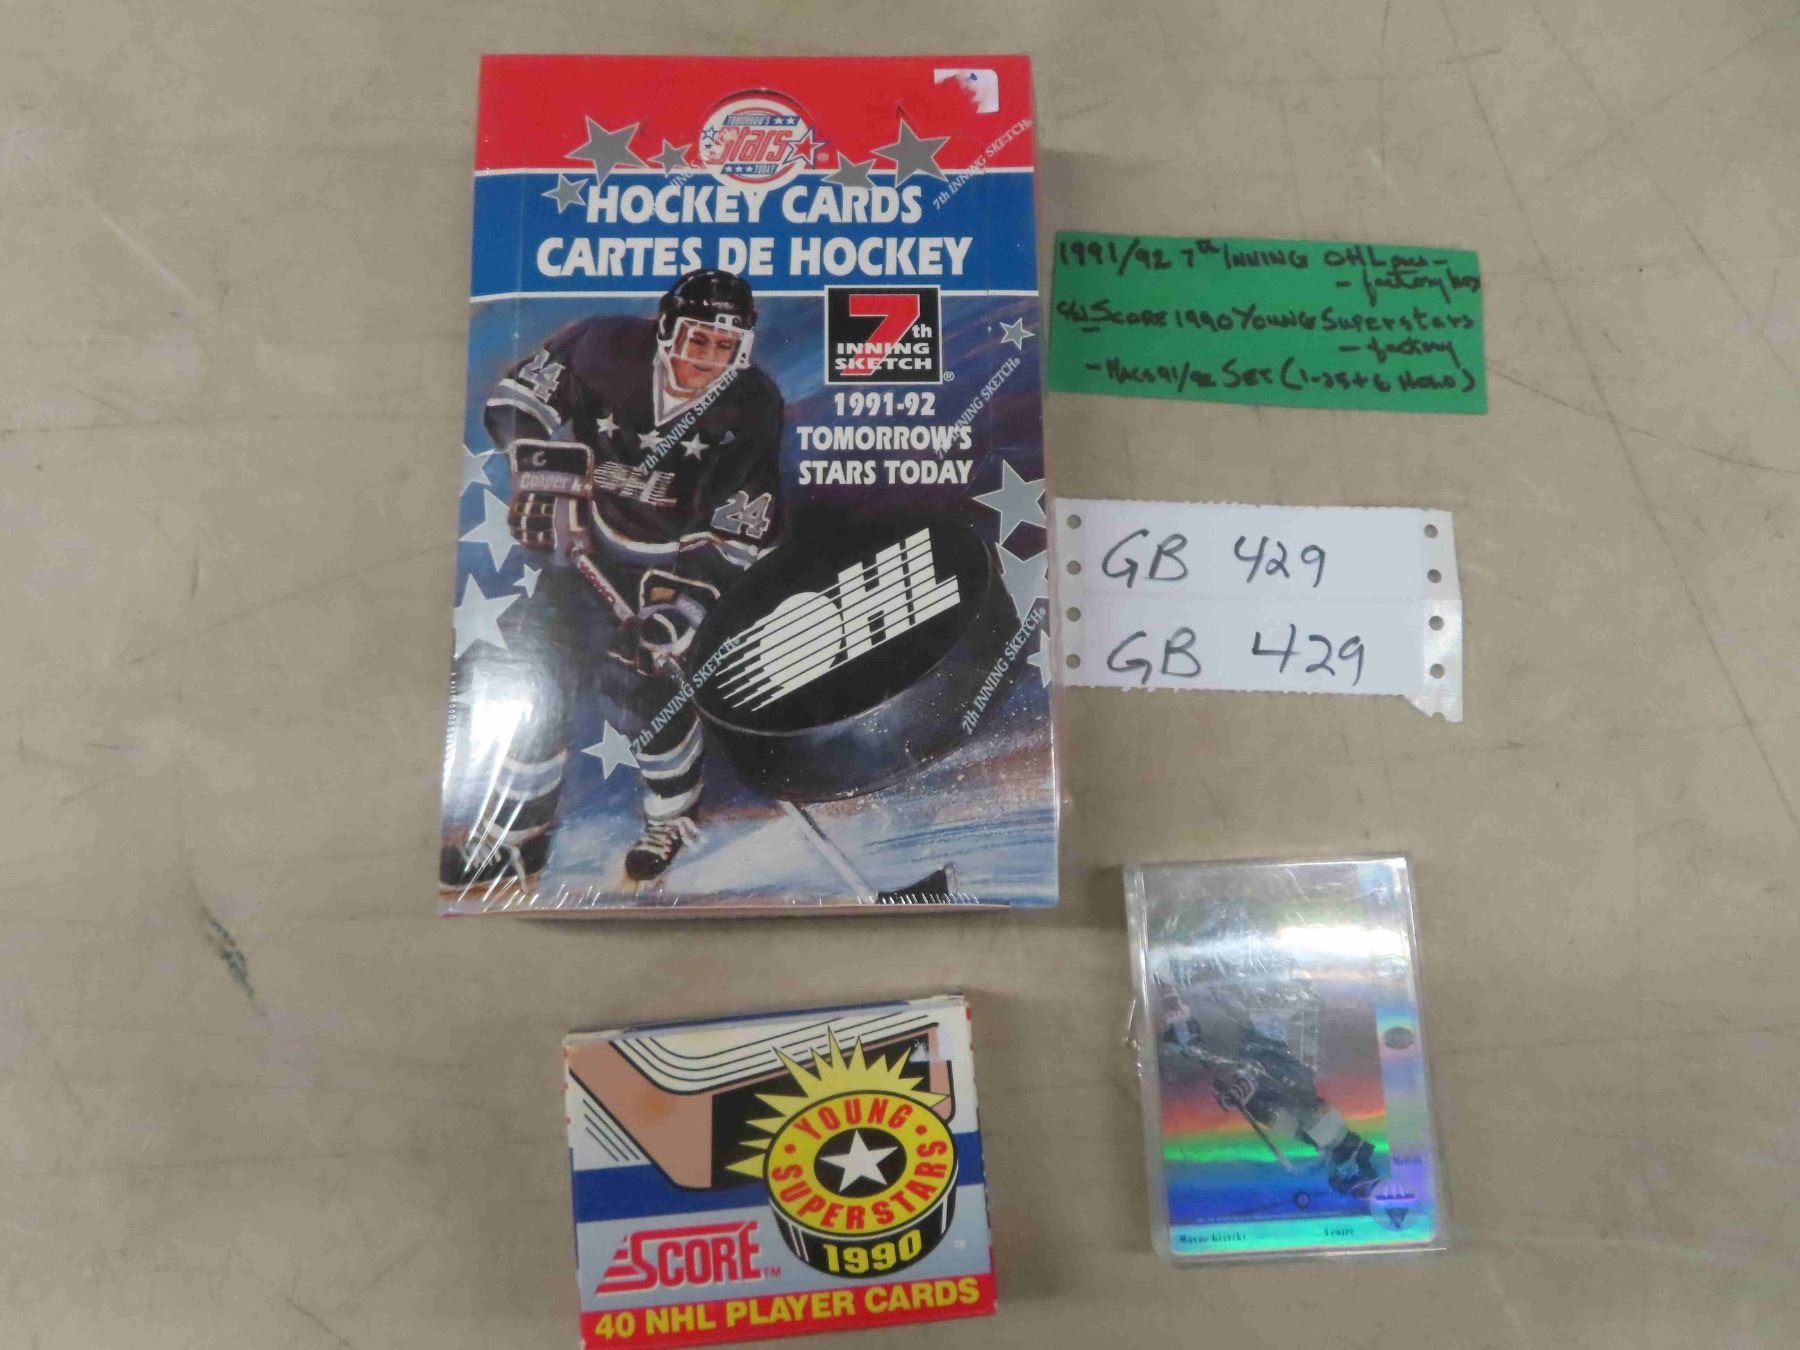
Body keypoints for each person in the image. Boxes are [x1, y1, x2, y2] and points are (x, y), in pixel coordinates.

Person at [442, 269, 784, 893]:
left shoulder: (752, 404)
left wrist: (680, 609)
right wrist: (538, 469)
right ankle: (517, 837)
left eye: (724, 344)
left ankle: (671, 817)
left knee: (638, 693)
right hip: (582, 550)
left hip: (666, 569)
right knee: (536, 674)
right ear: (666, 327)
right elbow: (516, 403)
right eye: (697, 338)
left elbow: (736, 531)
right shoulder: (605, 346)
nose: (707, 358)